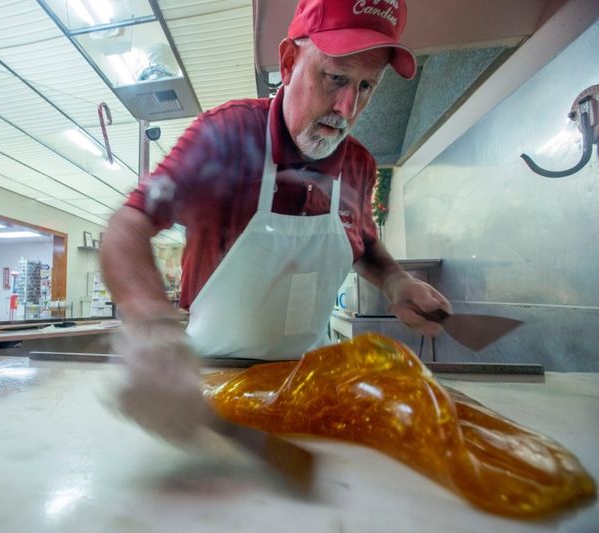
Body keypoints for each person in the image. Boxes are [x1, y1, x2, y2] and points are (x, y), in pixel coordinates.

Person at [101, 0, 452, 442]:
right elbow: (128, 226)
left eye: (366, 87)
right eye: (336, 78)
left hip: (308, 388)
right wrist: (152, 330)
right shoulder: (225, 137)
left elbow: (362, 240)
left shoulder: (360, 166)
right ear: (288, 62)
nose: (347, 108)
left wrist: (397, 281)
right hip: (207, 386)